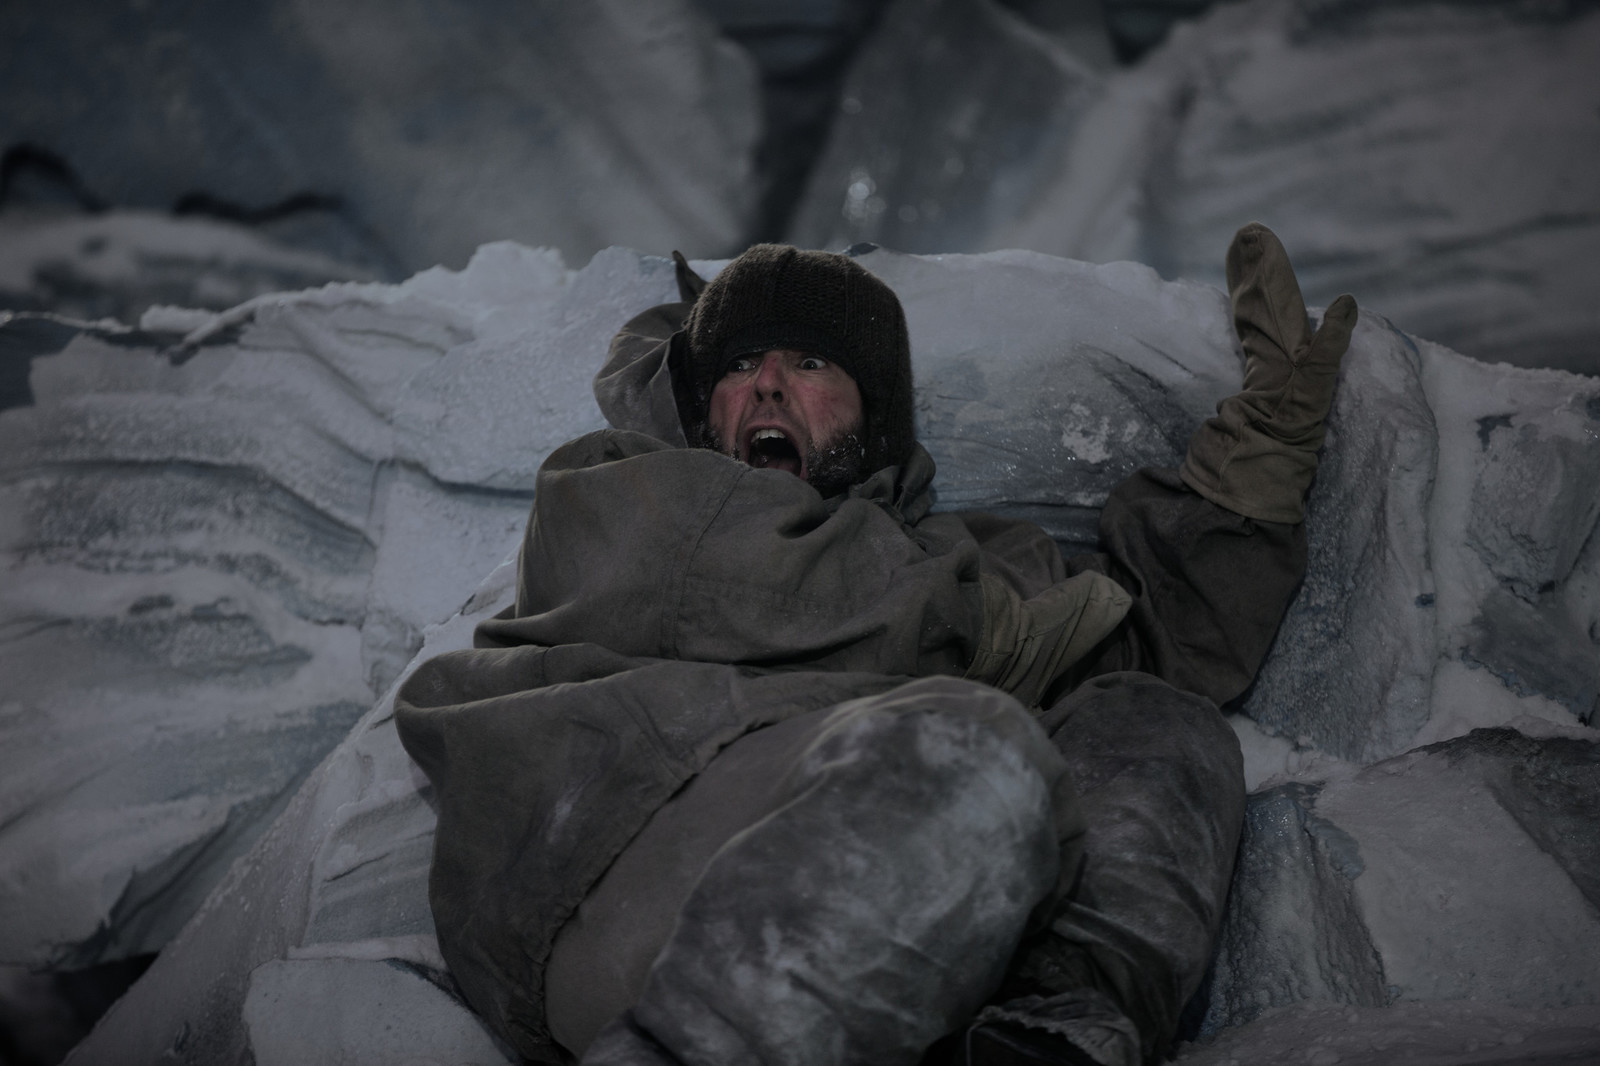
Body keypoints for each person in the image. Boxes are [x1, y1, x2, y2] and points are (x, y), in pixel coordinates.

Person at [395, 225, 1357, 1066]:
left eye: (811, 364)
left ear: (874, 413)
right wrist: (1001, 647)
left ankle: (1053, 1034)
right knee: (970, 755)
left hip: (894, 923)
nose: (767, 381)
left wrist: (1260, 458)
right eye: (738, 364)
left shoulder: (958, 565)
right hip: (616, 880)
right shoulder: (621, 490)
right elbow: (783, 589)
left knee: (1158, 722)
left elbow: (1150, 646)